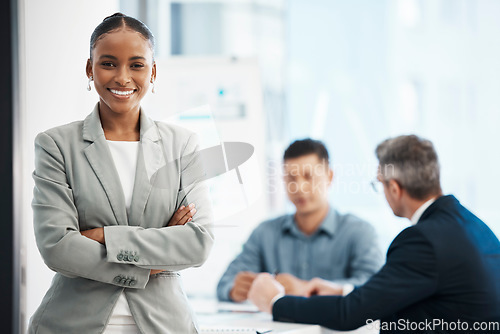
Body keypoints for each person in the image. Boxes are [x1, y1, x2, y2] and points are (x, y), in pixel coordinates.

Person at [28, 13, 214, 334]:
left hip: (165, 325)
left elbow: (198, 242)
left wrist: (104, 236)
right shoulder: (55, 145)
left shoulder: (182, 145)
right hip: (70, 323)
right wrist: (152, 263)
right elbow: (57, 247)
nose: (123, 77)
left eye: (137, 65)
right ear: (90, 69)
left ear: (153, 72)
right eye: (109, 63)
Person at [249, 135, 500, 333]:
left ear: (394, 188)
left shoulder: (422, 240)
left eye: (378, 184)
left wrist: (275, 302)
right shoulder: (473, 225)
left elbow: (349, 314)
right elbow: (403, 294)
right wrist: (345, 290)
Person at [217, 138, 383, 302]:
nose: (298, 187)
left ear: (329, 177)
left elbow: (375, 288)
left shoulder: (360, 232)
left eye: (308, 176)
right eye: (291, 178)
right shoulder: (265, 233)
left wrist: (306, 288)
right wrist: (235, 289)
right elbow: (225, 283)